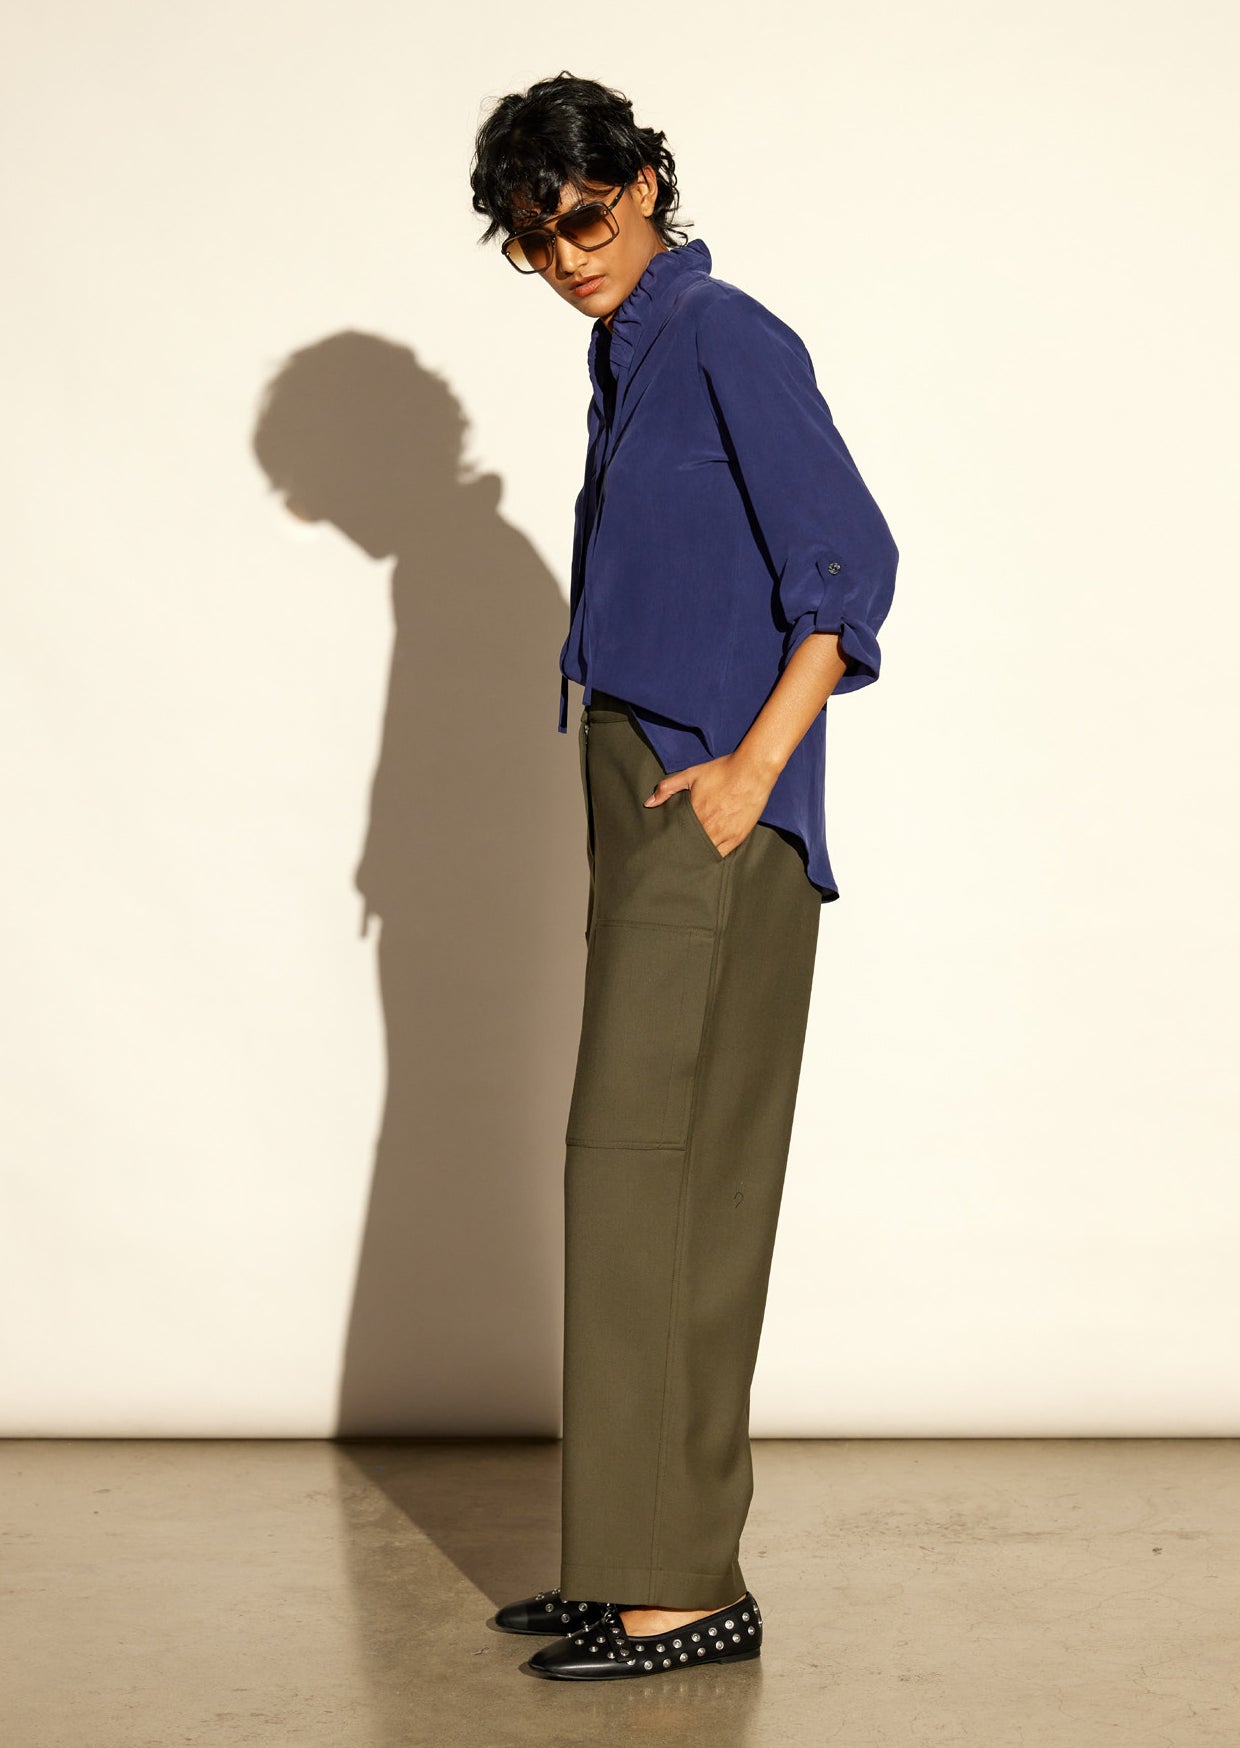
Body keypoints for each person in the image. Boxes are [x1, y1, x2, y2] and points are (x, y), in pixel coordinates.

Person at [469, 71, 898, 1682]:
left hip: (710, 804)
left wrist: (748, 776)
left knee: (677, 1182)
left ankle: (684, 1586)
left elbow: (847, 566)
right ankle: (631, 1557)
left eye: (583, 219)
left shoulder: (724, 336)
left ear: (645, 182)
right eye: (533, 242)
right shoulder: (630, 355)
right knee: (630, 1178)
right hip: (647, 789)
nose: (565, 258)